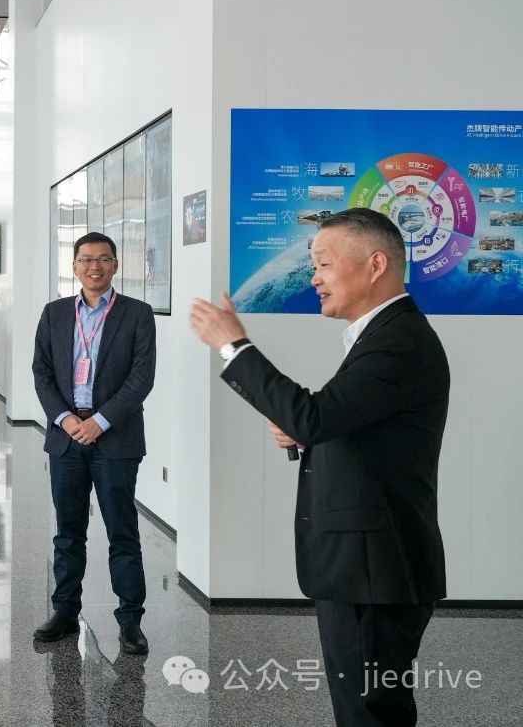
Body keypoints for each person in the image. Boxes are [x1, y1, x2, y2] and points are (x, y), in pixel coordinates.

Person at [189, 207, 448, 727]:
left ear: (376, 264)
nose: (314, 278)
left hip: (374, 571)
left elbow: (315, 416)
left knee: (368, 712)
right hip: (366, 566)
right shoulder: (383, 334)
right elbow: (339, 420)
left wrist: (233, 346)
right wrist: (306, 432)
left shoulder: (398, 340)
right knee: (370, 708)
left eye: (324, 264)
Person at [31, 232, 156, 654]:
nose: (94, 266)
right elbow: (42, 373)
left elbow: (141, 378)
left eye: (103, 259)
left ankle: (130, 620)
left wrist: (100, 422)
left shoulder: (137, 314)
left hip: (115, 438)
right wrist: (66, 419)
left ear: (116, 265)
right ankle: (65, 612)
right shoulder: (54, 313)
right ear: (74, 266)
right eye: (86, 259)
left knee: (123, 532)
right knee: (68, 533)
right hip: (66, 438)